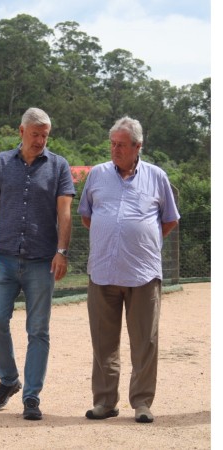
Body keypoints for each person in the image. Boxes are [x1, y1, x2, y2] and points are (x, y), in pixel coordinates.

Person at [78, 116, 180, 424]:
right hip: (102, 273)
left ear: (138, 147)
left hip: (143, 274)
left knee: (145, 342)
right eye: (112, 144)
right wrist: (112, 237)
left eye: (122, 145)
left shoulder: (157, 176)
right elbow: (86, 215)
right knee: (103, 342)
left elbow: (169, 219)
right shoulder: (96, 175)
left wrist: (141, 242)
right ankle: (105, 402)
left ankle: (142, 404)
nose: (115, 150)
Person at [0, 107, 75, 420]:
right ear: (21, 132)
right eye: (35, 134)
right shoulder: (1, 162)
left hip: (41, 261)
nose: (40, 140)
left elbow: (64, 212)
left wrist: (62, 250)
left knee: (38, 331)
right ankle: (9, 380)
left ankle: (31, 397)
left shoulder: (59, 166)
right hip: (2, 258)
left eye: (45, 135)